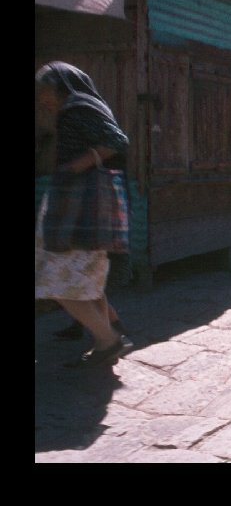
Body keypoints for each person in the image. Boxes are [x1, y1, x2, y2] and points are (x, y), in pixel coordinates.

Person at [35, 61, 133, 367]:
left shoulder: (78, 106)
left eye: (46, 91)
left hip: (79, 205)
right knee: (85, 279)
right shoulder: (82, 106)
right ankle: (109, 334)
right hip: (81, 205)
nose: (43, 99)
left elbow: (118, 141)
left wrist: (76, 166)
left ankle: (109, 340)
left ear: (63, 85)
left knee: (59, 283)